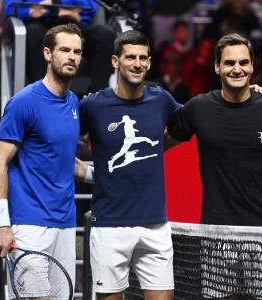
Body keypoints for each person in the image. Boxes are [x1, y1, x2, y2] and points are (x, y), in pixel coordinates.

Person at [167, 33, 262, 299]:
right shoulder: (198, 108)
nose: (237, 69)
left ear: (253, 66)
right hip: (216, 232)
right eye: (230, 63)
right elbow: (161, 144)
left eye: (243, 62)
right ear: (216, 67)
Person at [0, 24, 92, 299]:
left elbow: (63, 161)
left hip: (66, 224)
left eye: (77, 52)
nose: (72, 57)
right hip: (29, 226)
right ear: (48, 53)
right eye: (65, 50)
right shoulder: (24, 103)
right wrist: (1, 223)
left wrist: (102, 175)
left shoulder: (73, 104)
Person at [79, 30, 182, 300]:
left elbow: (195, 119)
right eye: (130, 57)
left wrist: (251, 92)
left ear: (149, 63)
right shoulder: (93, 105)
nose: (137, 63)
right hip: (109, 227)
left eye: (143, 58)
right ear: (115, 61)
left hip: (155, 226)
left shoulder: (161, 99)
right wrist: (89, 172)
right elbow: (61, 142)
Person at [4, 0, 115, 94]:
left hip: (73, 25)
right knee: (33, 33)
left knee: (105, 35)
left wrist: (56, 9)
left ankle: (98, 99)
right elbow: (10, 8)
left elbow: (89, 7)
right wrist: (34, 11)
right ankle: (41, 96)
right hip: (39, 25)